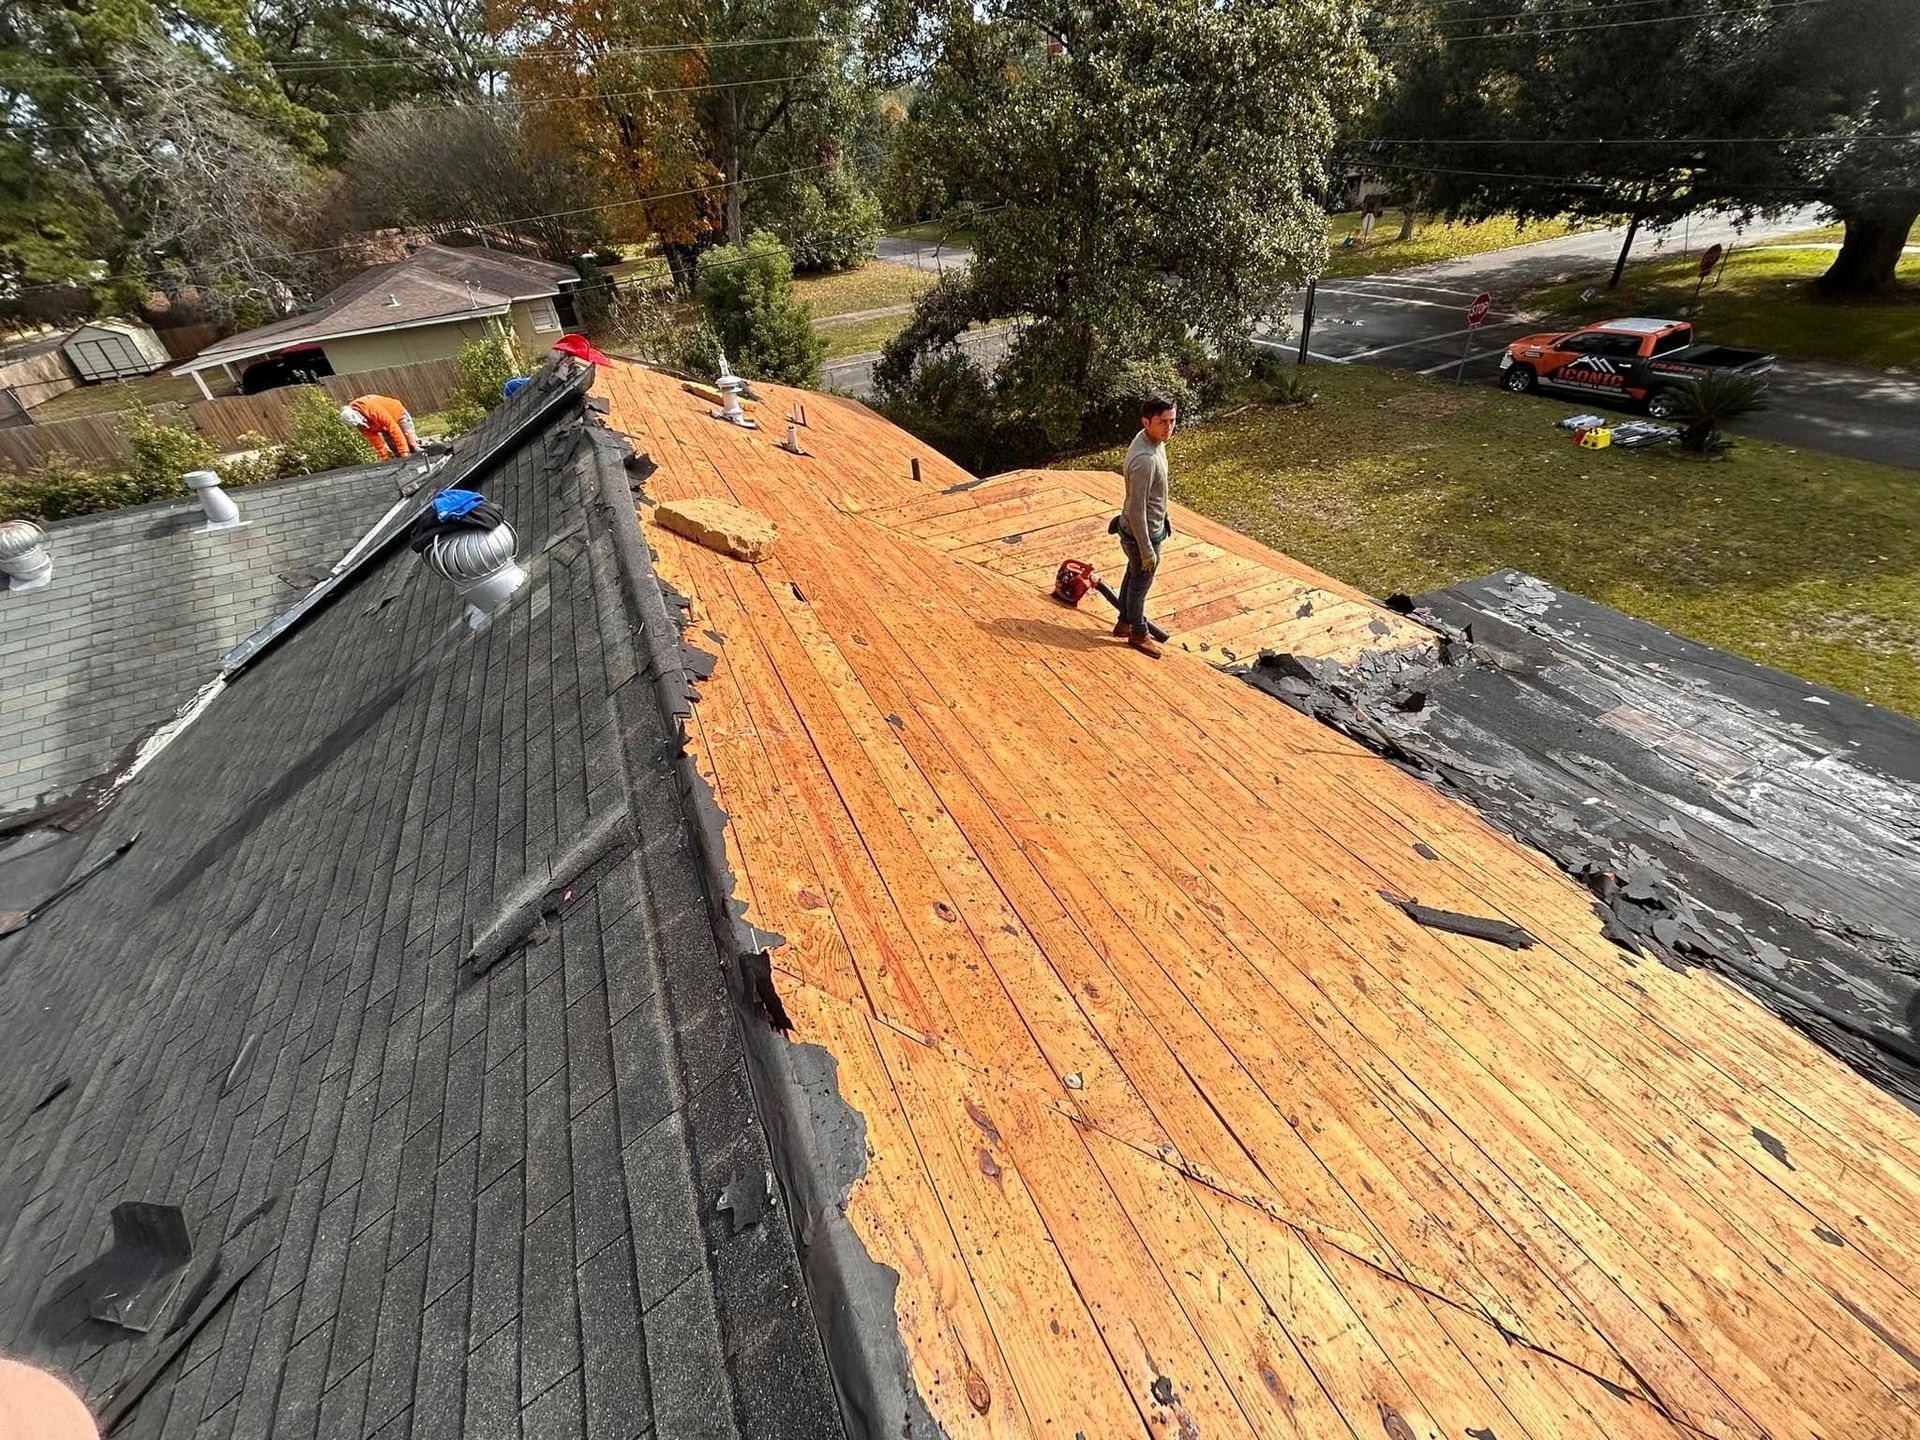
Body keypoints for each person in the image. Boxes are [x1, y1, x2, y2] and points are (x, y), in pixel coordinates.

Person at [1115, 393, 1176, 658]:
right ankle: (1138, 633)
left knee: (1133, 575)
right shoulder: (1145, 460)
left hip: (1148, 528)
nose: (1169, 427)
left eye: (1172, 421)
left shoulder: (1153, 443)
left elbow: (1152, 496)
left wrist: (1164, 516)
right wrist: (1147, 549)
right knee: (1140, 584)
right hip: (1143, 535)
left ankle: (1124, 621)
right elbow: (1137, 508)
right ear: (1146, 421)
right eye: (1162, 422)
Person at [339, 394, 421, 460]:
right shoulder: (359, 424)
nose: (361, 426)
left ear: (359, 415)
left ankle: (425, 456)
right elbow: (375, 442)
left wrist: (404, 452)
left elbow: (394, 429)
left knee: (412, 444)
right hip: (382, 426)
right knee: (395, 450)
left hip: (398, 415)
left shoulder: (371, 408)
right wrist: (384, 459)